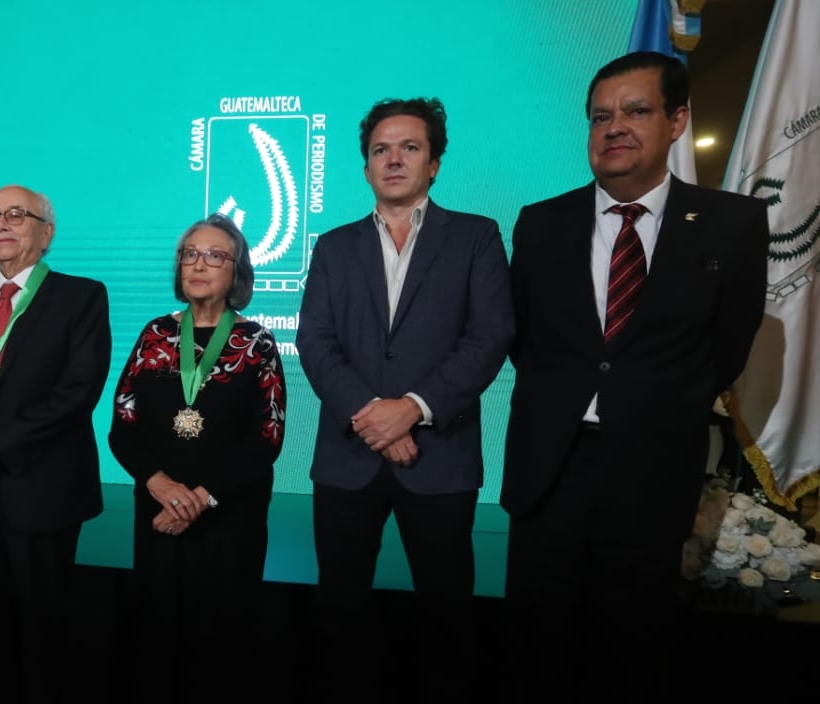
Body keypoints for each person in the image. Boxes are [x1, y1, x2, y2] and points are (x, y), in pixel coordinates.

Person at [501, 51, 768, 696]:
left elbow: (727, 346)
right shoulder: (541, 222)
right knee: (538, 647)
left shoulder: (731, 223)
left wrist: (651, 400)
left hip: (652, 468)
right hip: (551, 469)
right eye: (600, 116)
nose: (614, 127)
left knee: (634, 645)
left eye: (636, 110)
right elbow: (523, 335)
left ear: (677, 121)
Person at [297, 97, 514, 702]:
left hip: (439, 458)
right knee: (338, 609)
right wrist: (375, 420)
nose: (393, 159)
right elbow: (314, 340)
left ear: (435, 163)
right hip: (347, 457)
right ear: (366, 167)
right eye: (380, 150)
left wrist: (412, 408)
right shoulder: (334, 246)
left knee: (446, 613)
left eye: (409, 147)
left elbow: (489, 336)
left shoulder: (475, 236)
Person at [0, 184, 112, 704]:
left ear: (46, 232)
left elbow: (78, 391)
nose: (1, 224)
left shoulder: (81, 296)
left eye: (16, 215)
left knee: (39, 630)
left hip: (41, 486)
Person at [108, 213, 286, 701]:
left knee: (220, 649)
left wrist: (200, 499)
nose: (199, 264)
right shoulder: (155, 336)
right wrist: (160, 486)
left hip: (228, 520)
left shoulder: (257, 343)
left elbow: (267, 439)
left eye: (215, 255)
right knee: (157, 640)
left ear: (237, 273)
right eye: (190, 253)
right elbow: (122, 427)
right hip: (159, 514)